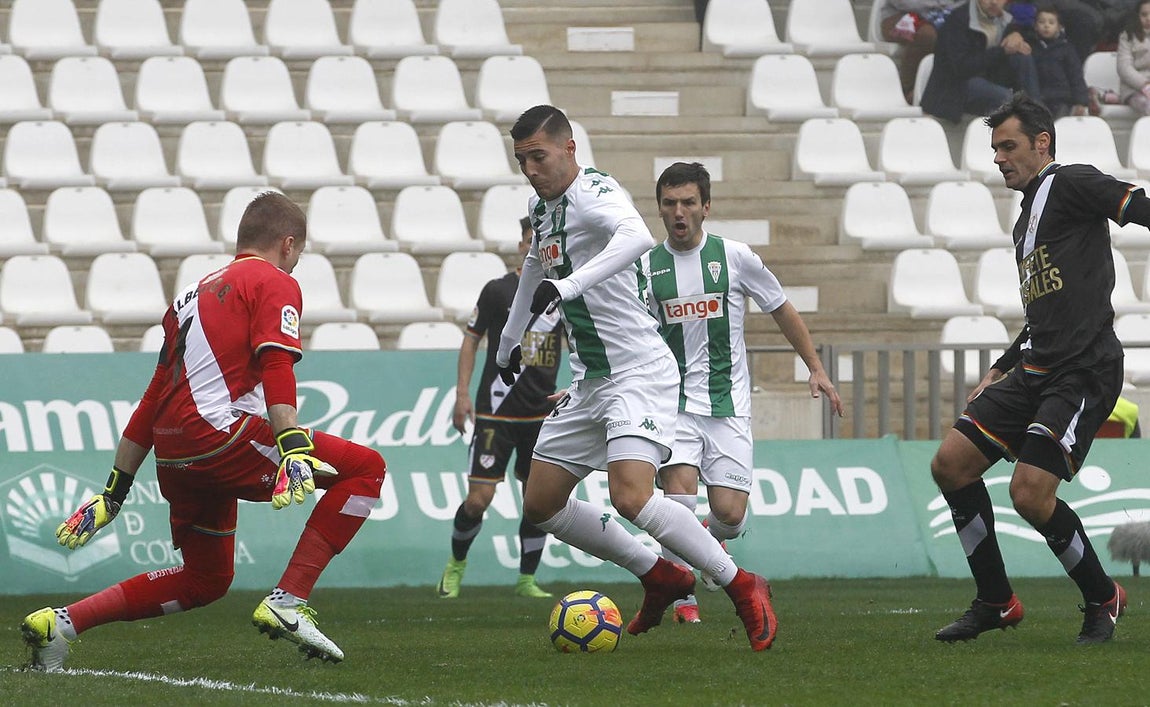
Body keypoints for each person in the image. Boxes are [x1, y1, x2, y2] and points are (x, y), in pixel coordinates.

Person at [20, 193, 386, 670]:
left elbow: (155, 395)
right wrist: (292, 446)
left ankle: (60, 625)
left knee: (205, 581)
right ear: (288, 245)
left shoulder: (186, 299)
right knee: (366, 470)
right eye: (298, 255)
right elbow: (276, 361)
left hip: (173, 454)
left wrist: (114, 490)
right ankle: (288, 600)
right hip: (221, 437)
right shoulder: (272, 280)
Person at [496, 104, 776, 651]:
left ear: (569, 148)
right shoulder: (542, 206)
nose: (530, 168)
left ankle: (741, 583)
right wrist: (511, 342)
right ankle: (659, 574)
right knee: (540, 504)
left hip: (639, 371)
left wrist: (570, 287)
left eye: (539, 156)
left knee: (630, 496)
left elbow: (635, 240)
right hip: (591, 380)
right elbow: (534, 267)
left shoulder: (596, 192)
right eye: (521, 159)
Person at [931, 93, 1142, 645]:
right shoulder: (1027, 218)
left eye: (1009, 146)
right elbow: (1044, 309)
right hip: (1035, 365)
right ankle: (996, 601)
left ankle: (1102, 597)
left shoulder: (1068, 181)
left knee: (1029, 494)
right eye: (995, 148)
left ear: (1041, 142)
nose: (999, 158)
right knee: (951, 464)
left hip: (1083, 369)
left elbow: (1138, 204)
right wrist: (1002, 365)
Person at [643, 162, 844, 624]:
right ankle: (684, 598)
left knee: (730, 515)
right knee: (678, 501)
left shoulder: (735, 258)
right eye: (670, 203)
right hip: (671, 406)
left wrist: (815, 367)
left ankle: (711, 540)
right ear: (659, 209)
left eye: (688, 202)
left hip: (728, 404)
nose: (679, 211)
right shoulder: (646, 268)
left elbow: (781, 308)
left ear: (706, 207)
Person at [437, 217, 564, 600]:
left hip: (541, 414)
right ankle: (454, 568)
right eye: (529, 241)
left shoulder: (561, 294)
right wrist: (462, 394)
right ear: (520, 245)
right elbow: (471, 340)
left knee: (538, 502)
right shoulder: (496, 291)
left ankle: (526, 579)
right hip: (495, 410)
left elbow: (581, 344)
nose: (533, 248)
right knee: (479, 499)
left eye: (540, 243)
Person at [922, 0, 1042, 123]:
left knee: (1021, 56)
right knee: (1006, 98)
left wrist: (1017, 34)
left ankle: (1037, 116)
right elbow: (962, 67)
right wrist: (1002, 51)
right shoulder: (959, 19)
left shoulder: (1006, 18)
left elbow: (1033, 37)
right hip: (955, 86)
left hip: (986, 78)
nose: (994, 2)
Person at [879, 0, 966, 102]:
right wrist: (937, 6)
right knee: (927, 35)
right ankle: (908, 88)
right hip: (901, 16)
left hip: (945, 14)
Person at [1029, 4, 1091, 116]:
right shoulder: (1030, 47)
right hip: (1038, 99)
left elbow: (1076, 77)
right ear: (1035, 26)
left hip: (1061, 100)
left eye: (1051, 22)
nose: (1046, 26)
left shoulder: (1067, 49)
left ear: (1059, 27)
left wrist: (1081, 102)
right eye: (1042, 22)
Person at [1117, 0, 1150, 114]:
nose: (1148, 18)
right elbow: (1124, 68)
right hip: (1133, 90)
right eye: (1144, 15)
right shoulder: (1128, 36)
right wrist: (1145, 84)